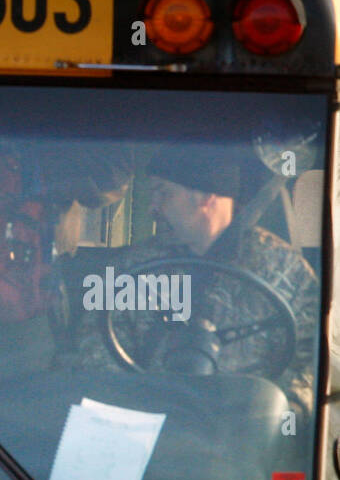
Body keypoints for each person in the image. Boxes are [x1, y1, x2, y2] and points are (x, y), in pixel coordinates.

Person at [72, 146, 318, 415]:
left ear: (207, 196)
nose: (153, 206)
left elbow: (305, 372)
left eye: (163, 192)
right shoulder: (129, 268)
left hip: (242, 440)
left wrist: (265, 422)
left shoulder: (288, 273)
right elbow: (96, 352)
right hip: (148, 429)